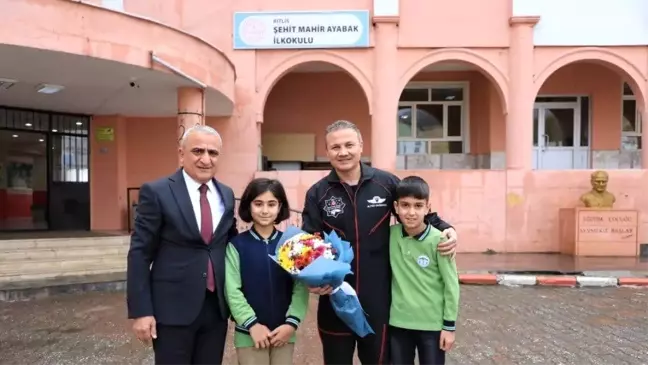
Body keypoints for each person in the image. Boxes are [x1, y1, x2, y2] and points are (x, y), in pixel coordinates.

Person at [301, 120, 459, 365]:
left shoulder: (385, 184)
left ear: (361, 146)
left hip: (380, 304)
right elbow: (309, 241)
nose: (343, 152)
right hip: (335, 300)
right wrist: (312, 278)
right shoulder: (318, 193)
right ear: (327, 152)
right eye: (335, 147)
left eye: (349, 144)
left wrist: (446, 228)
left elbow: (414, 208)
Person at [126, 124, 238, 365]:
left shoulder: (227, 195)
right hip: (172, 309)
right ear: (181, 154)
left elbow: (231, 244)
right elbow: (140, 253)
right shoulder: (157, 192)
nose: (206, 159)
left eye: (213, 153)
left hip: (216, 309)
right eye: (198, 151)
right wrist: (141, 310)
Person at [225, 178, 309, 365]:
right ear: (248, 206)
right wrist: (252, 324)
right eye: (258, 204)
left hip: (284, 333)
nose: (265, 210)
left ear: (280, 207)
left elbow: (300, 287)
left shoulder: (292, 244)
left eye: (271, 204)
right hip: (250, 335)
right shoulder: (237, 246)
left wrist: (291, 323)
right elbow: (232, 290)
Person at [389, 176, 460, 365]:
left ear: (428, 208)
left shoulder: (441, 241)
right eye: (405, 205)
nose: (411, 212)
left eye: (418, 206)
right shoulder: (389, 236)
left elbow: (451, 286)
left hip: (432, 326)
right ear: (396, 207)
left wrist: (449, 327)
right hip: (398, 323)